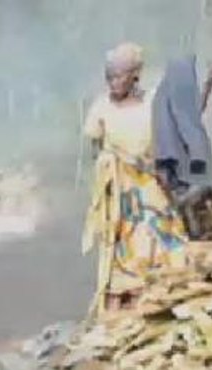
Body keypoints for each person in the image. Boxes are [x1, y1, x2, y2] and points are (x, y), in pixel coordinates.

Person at [82, 42, 191, 317]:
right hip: (120, 186)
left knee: (161, 229)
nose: (113, 83)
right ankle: (120, 300)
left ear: (134, 75)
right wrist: (109, 167)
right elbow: (95, 145)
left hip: (150, 181)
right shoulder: (101, 107)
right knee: (124, 239)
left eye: (118, 76)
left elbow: (171, 137)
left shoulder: (153, 102)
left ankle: (162, 292)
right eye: (109, 77)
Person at [153, 55, 212, 242]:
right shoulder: (161, 106)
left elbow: (192, 113)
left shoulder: (177, 103)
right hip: (170, 177)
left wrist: (209, 84)